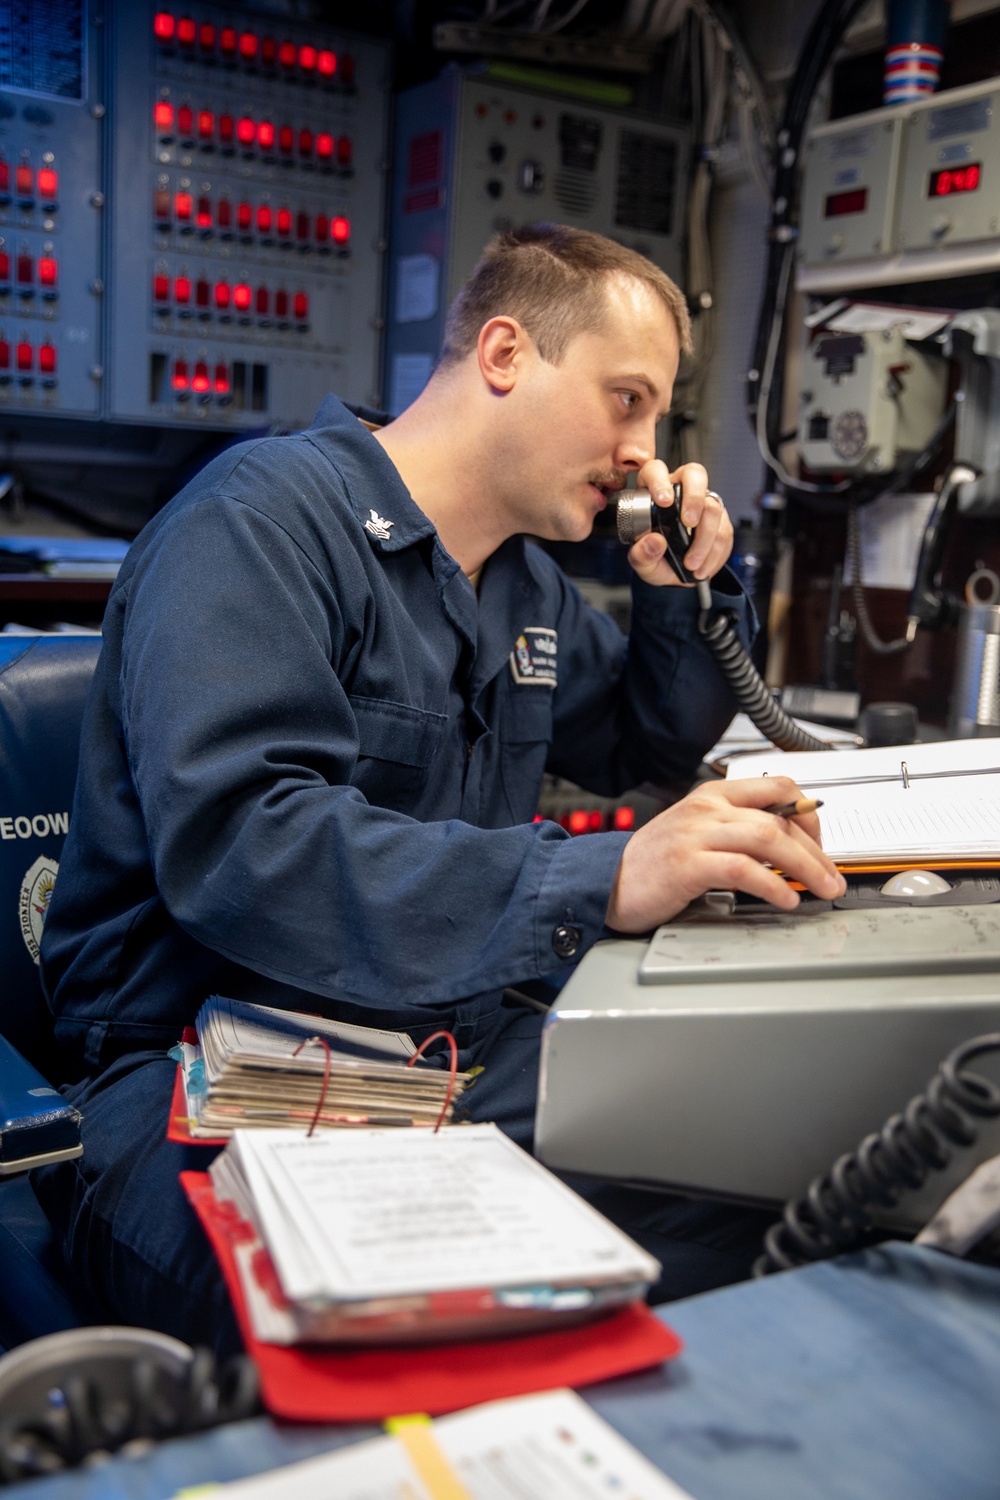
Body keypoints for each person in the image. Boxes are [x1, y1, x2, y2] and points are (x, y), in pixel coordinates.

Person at [34, 225, 845, 1352]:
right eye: (625, 399)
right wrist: (603, 872)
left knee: (770, 1207)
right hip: (213, 1073)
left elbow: (641, 745)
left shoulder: (521, 584)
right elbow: (245, 848)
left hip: (437, 1054)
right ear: (506, 354)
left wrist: (680, 587)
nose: (644, 452)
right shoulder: (260, 522)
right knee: (451, 1325)